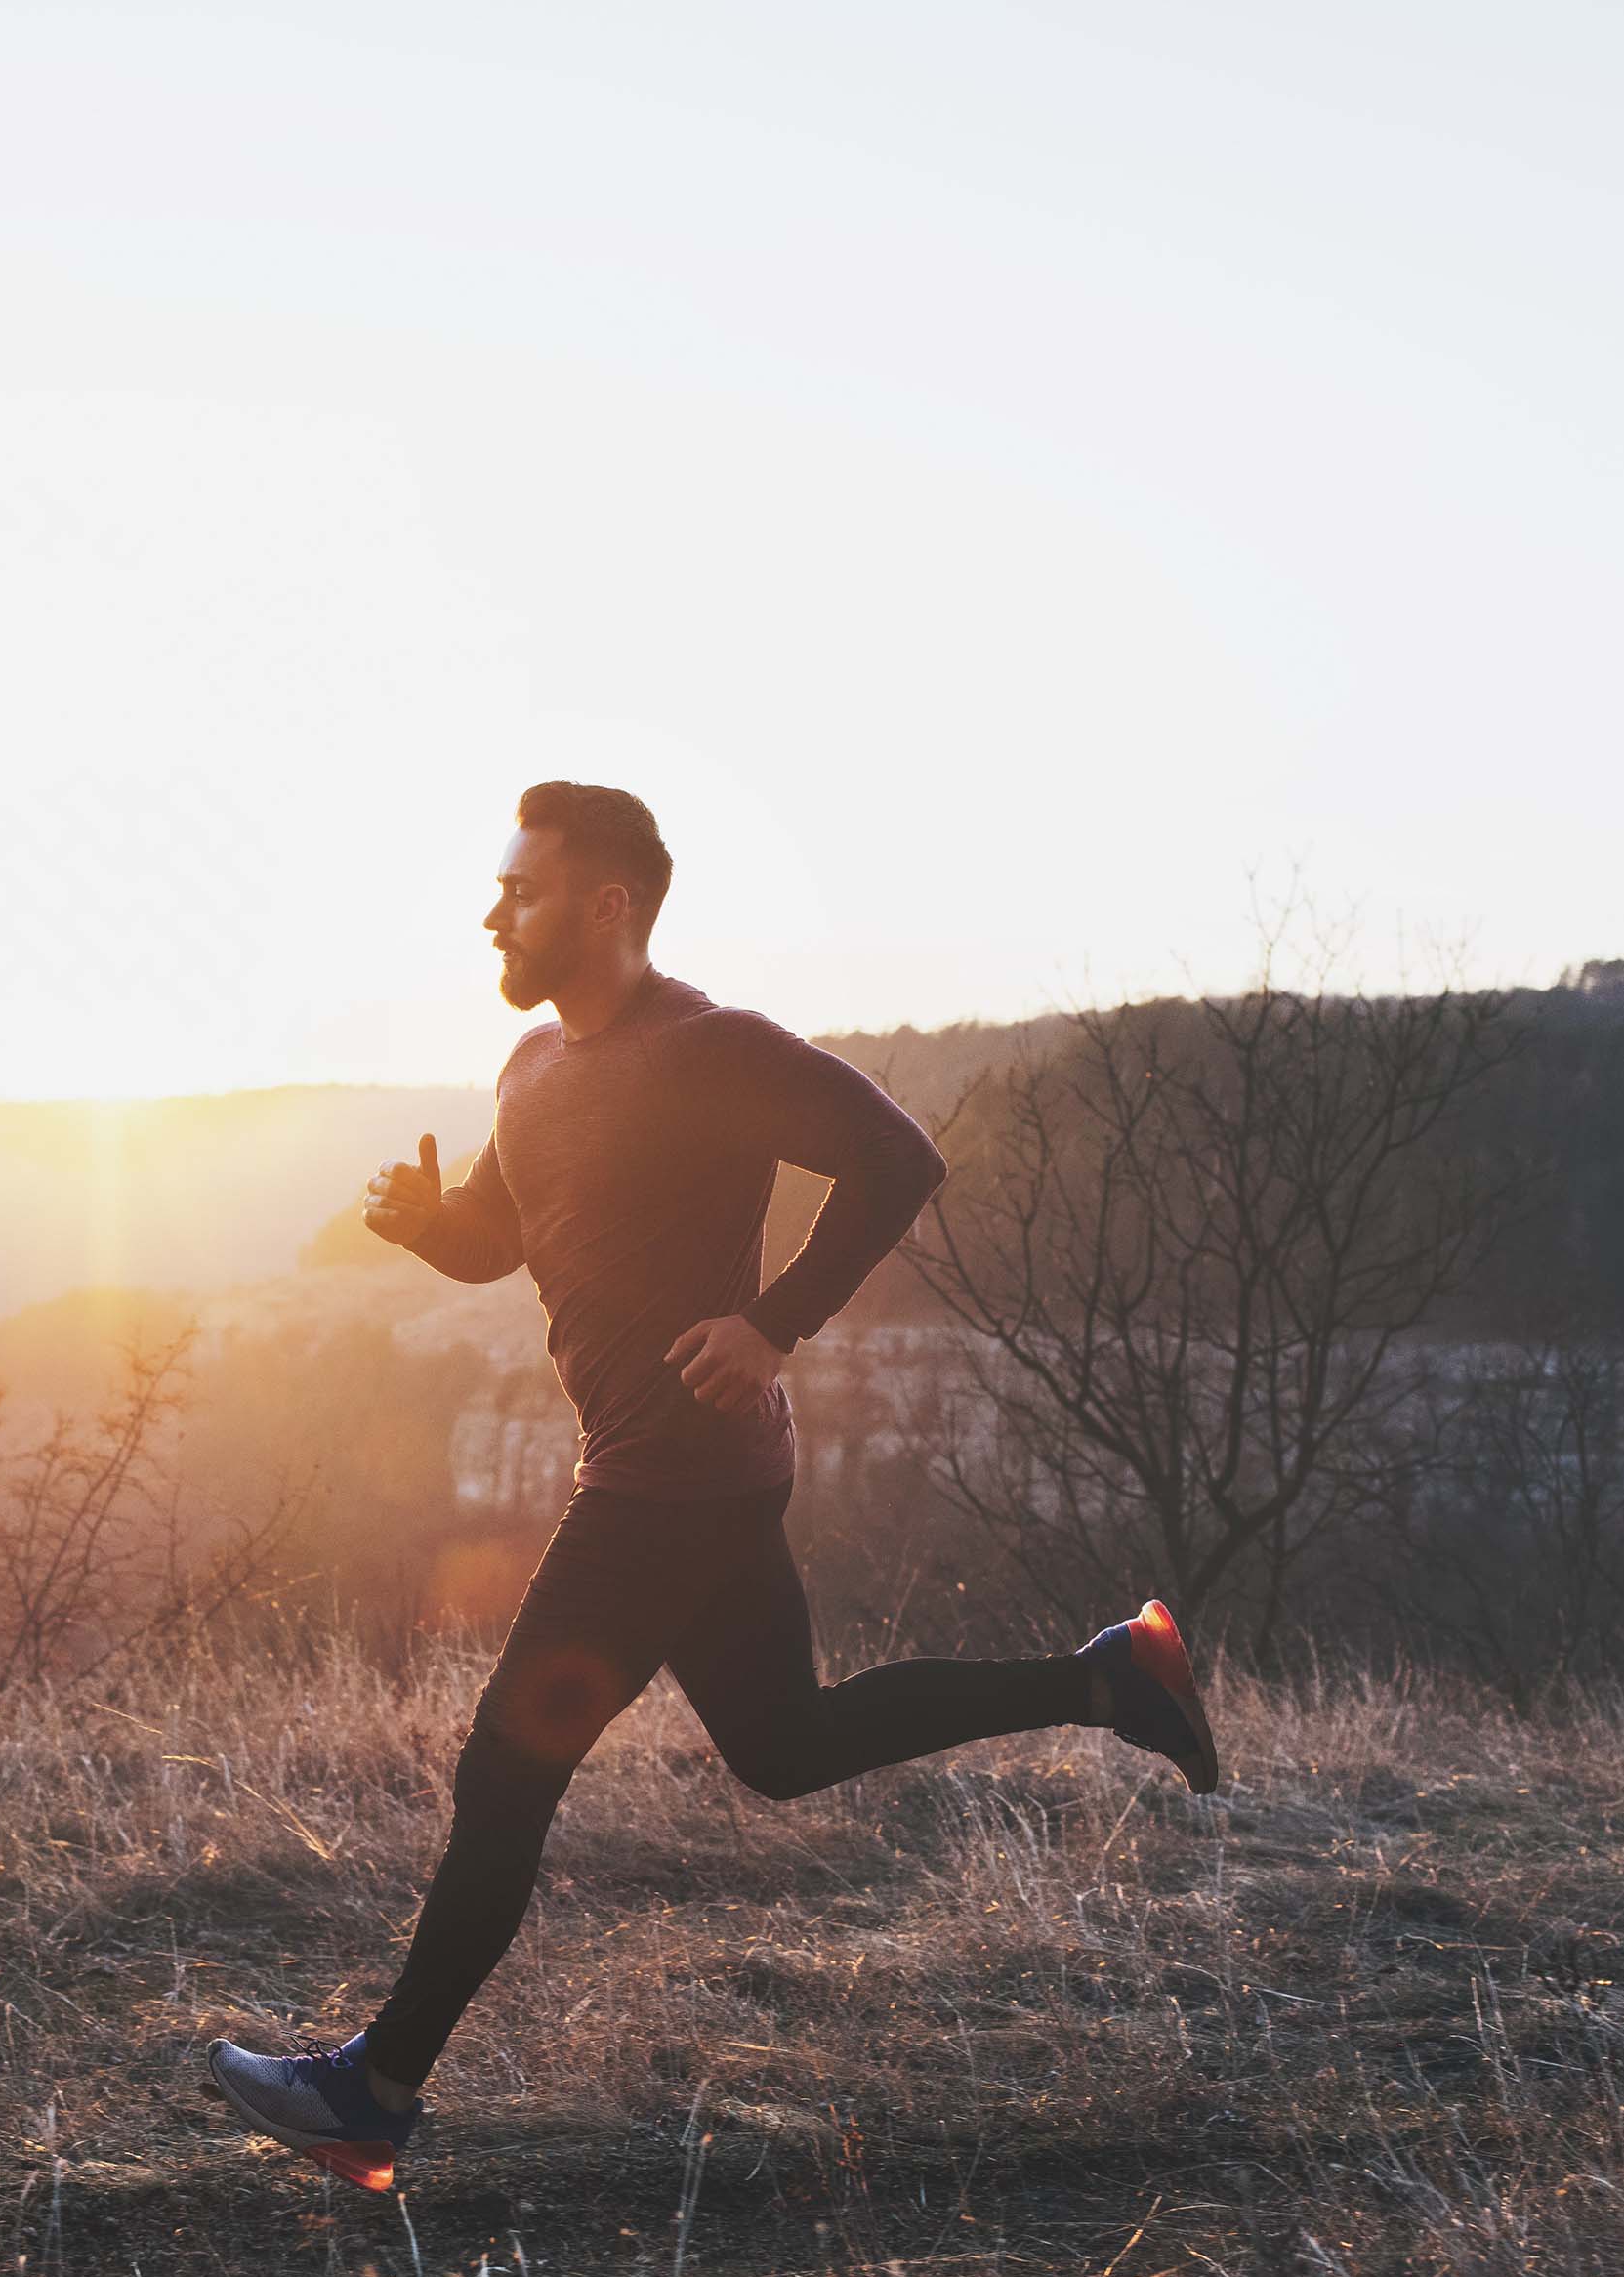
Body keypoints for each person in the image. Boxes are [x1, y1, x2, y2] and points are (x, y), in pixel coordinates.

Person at [208, 782, 1219, 2192]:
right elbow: (501, 1239)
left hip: (669, 1475)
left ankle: (373, 2093)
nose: (494, 912)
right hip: (687, 1471)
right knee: (783, 1744)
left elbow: (899, 1159)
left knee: (506, 1767)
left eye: (525, 890)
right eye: (499, 890)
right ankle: (1115, 1677)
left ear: (609, 904)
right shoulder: (530, 1070)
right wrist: (423, 1227)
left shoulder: (709, 1050)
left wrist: (776, 1322)